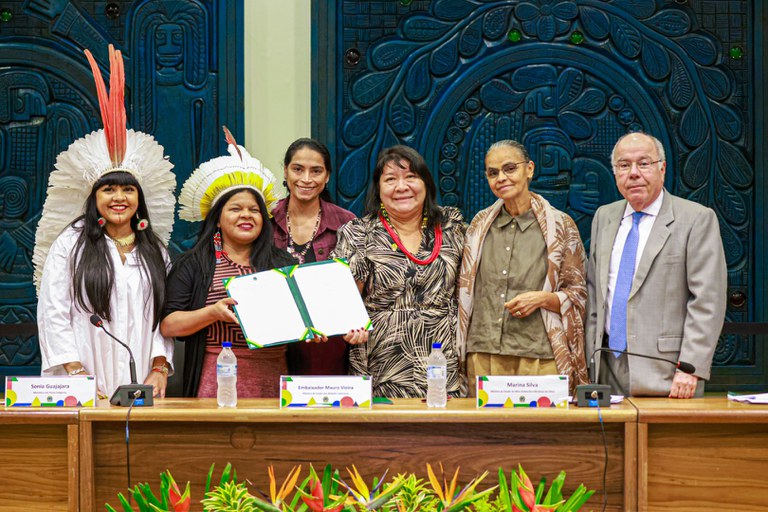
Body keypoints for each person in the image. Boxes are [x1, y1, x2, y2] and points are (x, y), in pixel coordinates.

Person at [161, 129, 365, 398]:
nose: (246, 216)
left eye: (254, 210)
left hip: (277, 379)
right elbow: (169, 325)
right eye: (235, 209)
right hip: (216, 378)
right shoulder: (194, 263)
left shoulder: (281, 262)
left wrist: (312, 329)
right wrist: (213, 313)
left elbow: (302, 316)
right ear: (218, 218)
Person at [35, 45, 176, 399]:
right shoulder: (71, 243)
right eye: (108, 189)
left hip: (142, 379)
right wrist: (74, 370)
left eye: (128, 190)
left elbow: (164, 315)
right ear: (93, 197)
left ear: (139, 199)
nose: (119, 198)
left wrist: (159, 367)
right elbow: (54, 310)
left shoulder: (155, 250)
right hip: (84, 379)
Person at [586, 132, 727, 398]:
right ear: (615, 173)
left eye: (644, 163)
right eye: (624, 165)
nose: (634, 173)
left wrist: (691, 368)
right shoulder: (604, 217)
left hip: (669, 373)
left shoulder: (696, 219)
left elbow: (707, 300)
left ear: (662, 168)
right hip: (605, 369)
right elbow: (595, 293)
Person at [457, 140, 588, 396]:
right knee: (484, 435)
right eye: (493, 173)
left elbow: (579, 293)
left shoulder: (560, 226)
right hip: (484, 352)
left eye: (509, 168)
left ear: (529, 169)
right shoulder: (477, 227)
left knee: (540, 434)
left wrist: (544, 299)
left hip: (539, 353)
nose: (501, 178)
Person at [333, 145, 466, 398]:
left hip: (442, 360)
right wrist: (349, 325)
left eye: (411, 177)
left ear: (426, 183)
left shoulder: (451, 226)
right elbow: (344, 302)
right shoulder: (359, 233)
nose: (401, 187)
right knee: (384, 437)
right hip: (383, 363)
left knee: (445, 435)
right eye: (391, 179)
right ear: (378, 189)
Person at [271, 138, 356, 375]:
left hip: (328, 343)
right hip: (274, 339)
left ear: (327, 176)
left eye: (316, 171)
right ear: (286, 172)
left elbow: (358, 285)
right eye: (298, 169)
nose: (306, 179)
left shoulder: (346, 222)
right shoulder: (265, 218)